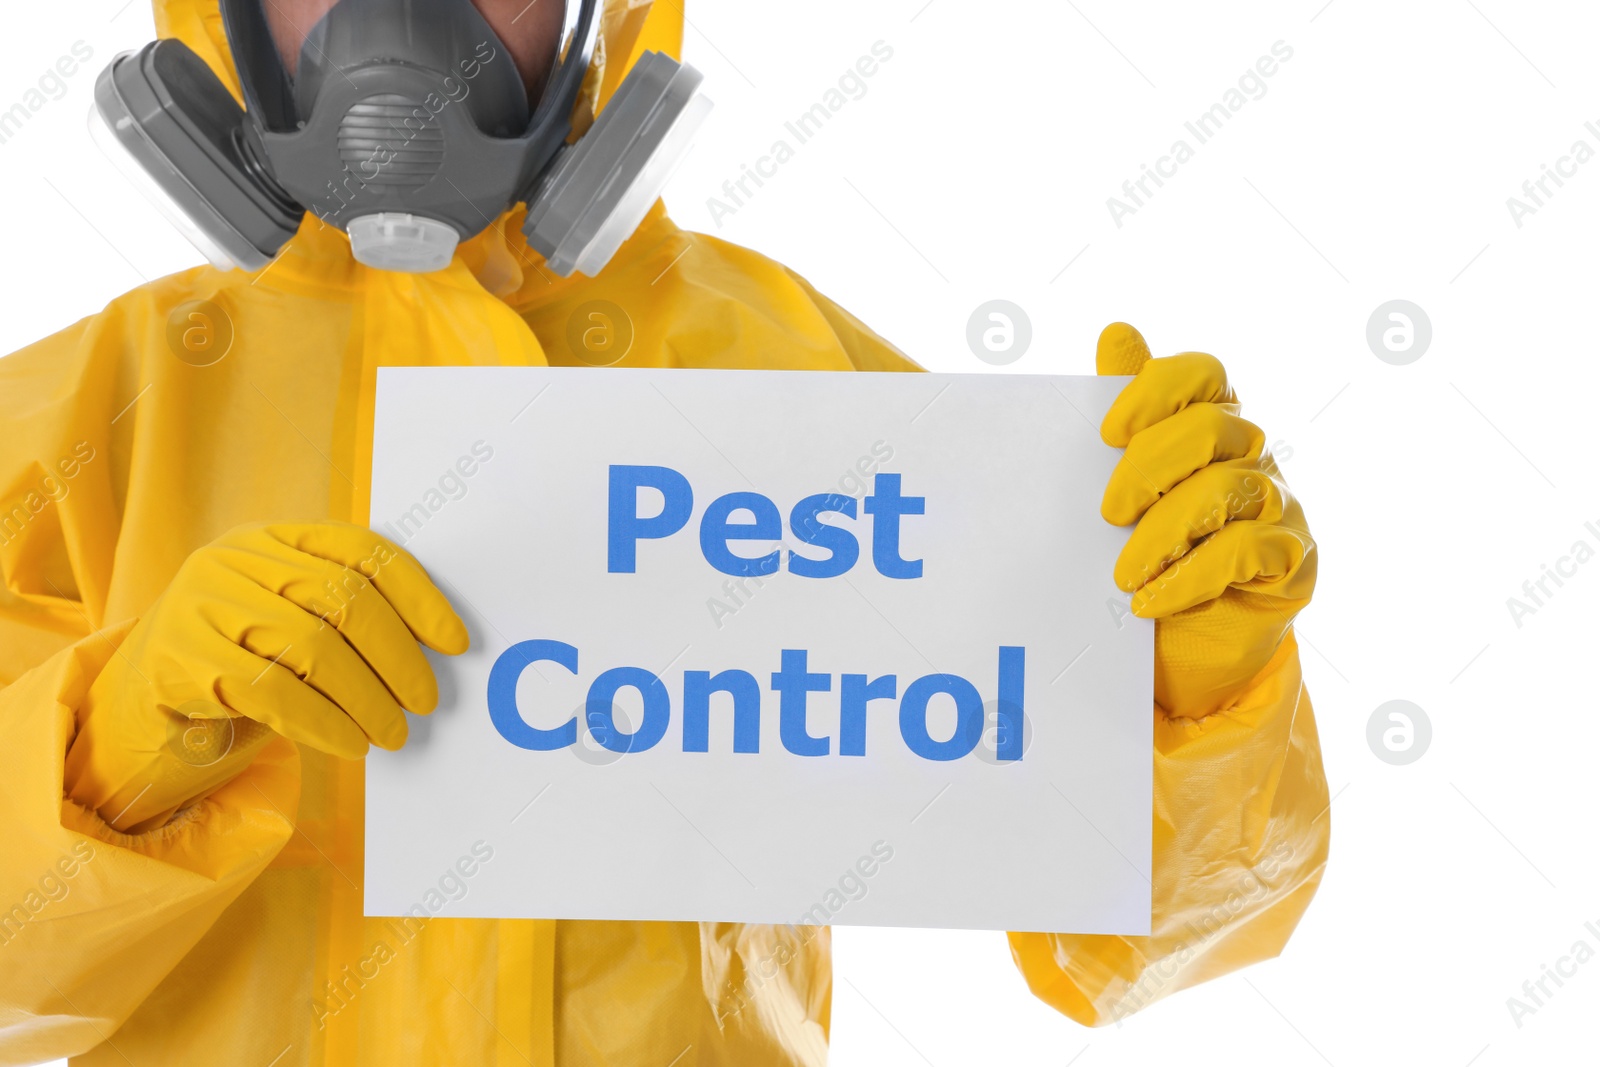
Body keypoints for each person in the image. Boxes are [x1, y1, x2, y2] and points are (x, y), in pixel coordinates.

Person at [0, 1, 1329, 1063]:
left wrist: (1187, 696)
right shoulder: (89, 420)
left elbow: (1150, 946)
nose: (393, 30)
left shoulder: (801, 384)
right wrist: (112, 743)